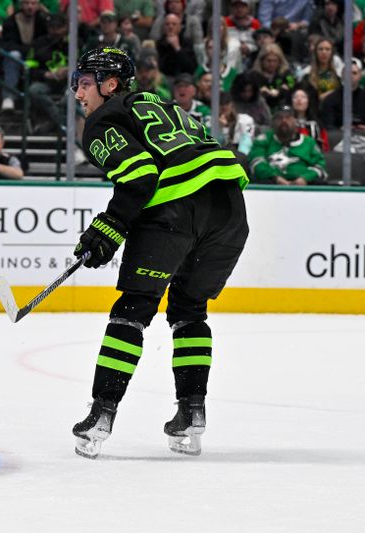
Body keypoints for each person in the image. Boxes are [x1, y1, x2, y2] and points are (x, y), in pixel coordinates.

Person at [69, 47, 249, 458]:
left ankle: (101, 414)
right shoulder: (168, 107)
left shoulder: (102, 119)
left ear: (109, 84)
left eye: (83, 84)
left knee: (133, 309)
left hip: (175, 211)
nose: (78, 94)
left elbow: (139, 176)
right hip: (229, 210)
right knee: (190, 310)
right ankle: (192, 411)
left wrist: (109, 225)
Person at [248, 105, 327, 185]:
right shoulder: (263, 140)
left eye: (288, 117)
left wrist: (305, 178)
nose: (284, 120)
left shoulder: (309, 142)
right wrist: (275, 177)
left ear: (295, 121)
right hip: (271, 184)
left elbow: (320, 166)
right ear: (273, 122)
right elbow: (256, 163)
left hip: (304, 186)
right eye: (279, 118)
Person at [0, 0, 48, 110]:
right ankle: (8, 96)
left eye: (33, 3)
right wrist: (27, 50)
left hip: (38, 56)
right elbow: (8, 44)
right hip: (19, 56)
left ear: (38, 5)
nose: (30, 7)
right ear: (21, 4)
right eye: (27, 3)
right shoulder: (10, 21)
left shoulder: (42, 21)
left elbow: (45, 41)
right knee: (13, 55)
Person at [319, 59, 365, 135]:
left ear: (360, 76)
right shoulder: (330, 99)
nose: (351, 76)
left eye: (354, 73)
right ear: (342, 75)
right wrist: (340, 129)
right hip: (338, 138)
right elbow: (327, 126)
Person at [290, 87, 329, 152]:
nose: (299, 99)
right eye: (295, 97)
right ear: (291, 102)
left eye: (303, 97)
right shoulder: (287, 123)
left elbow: (325, 147)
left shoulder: (317, 125)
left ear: (308, 101)